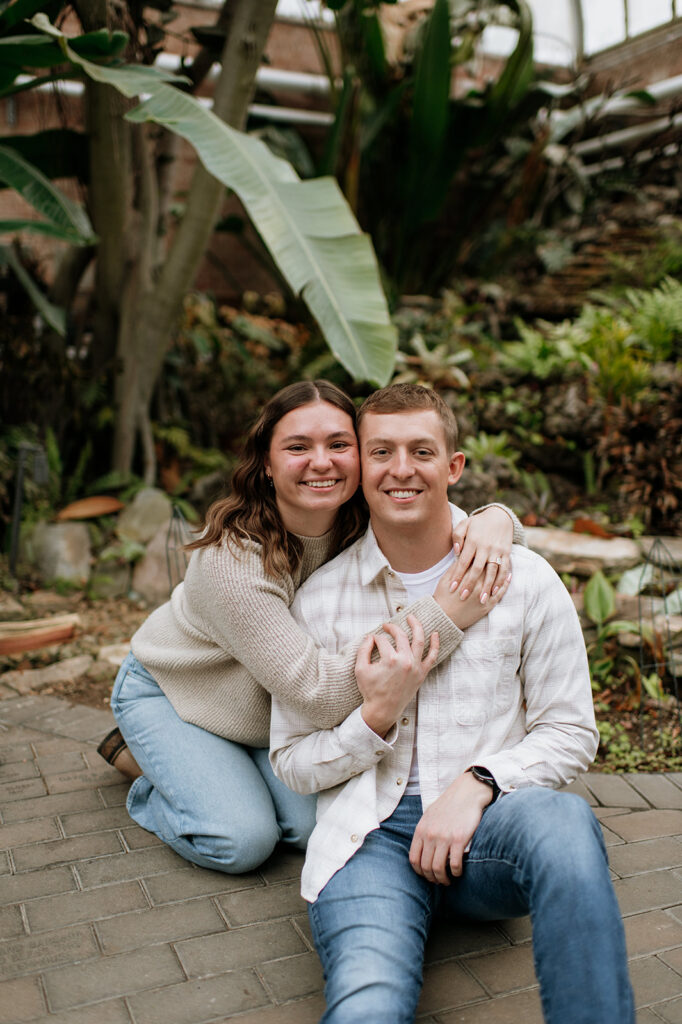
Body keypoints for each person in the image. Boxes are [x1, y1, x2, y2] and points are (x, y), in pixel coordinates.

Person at [270, 382, 634, 1024]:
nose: (402, 469)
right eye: (381, 452)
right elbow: (294, 762)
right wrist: (373, 720)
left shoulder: (524, 580)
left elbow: (571, 729)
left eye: (421, 451)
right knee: (368, 1004)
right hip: (368, 841)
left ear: (454, 467)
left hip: (489, 833)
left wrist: (478, 783)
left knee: (568, 828)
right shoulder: (321, 599)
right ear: (360, 467)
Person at [98, 380, 526, 875]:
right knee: (242, 840)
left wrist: (496, 518)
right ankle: (145, 769)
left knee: (312, 828)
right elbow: (319, 693)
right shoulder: (234, 563)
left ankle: (221, 777)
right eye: (298, 447)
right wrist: (446, 613)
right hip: (178, 694)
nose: (321, 462)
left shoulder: (361, 512)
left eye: (339, 445)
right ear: (266, 462)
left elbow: (461, 523)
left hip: (265, 715)